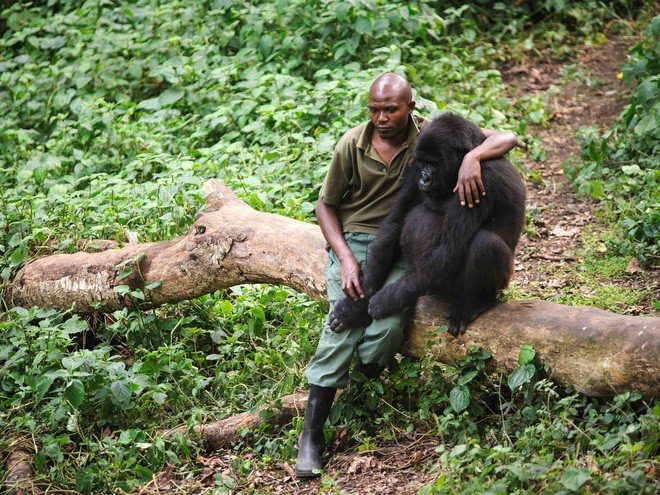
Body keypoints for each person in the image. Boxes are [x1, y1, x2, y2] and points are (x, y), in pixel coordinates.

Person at [295, 73, 518, 478]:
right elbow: (392, 226)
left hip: (476, 266)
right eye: (374, 109)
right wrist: (361, 286)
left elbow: (449, 255)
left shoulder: (473, 174)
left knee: (478, 250)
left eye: (391, 109)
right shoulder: (412, 148)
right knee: (349, 317)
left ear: (409, 109)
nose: (426, 175)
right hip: (366, 244)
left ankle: (475, 302)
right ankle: (311, 432)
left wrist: (380, 302)